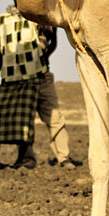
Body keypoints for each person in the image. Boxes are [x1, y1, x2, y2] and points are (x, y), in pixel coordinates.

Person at [0, 0, 44, 168]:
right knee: (0, 121)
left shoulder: (36, 17)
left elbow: (50, 40)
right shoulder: (2, 20)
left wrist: (42, 63)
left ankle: (21, 159)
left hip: (31, 75)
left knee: (24, 122)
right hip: (9, 75)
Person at [25, 26, 78, 168]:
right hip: (21, 76)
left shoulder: (44, 18)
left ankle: (63, 156)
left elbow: (53, 43)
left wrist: (44, 58)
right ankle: (27, 158)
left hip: (43, 74)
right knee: (24, 120)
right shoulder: (14, 21)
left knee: (55, 118)